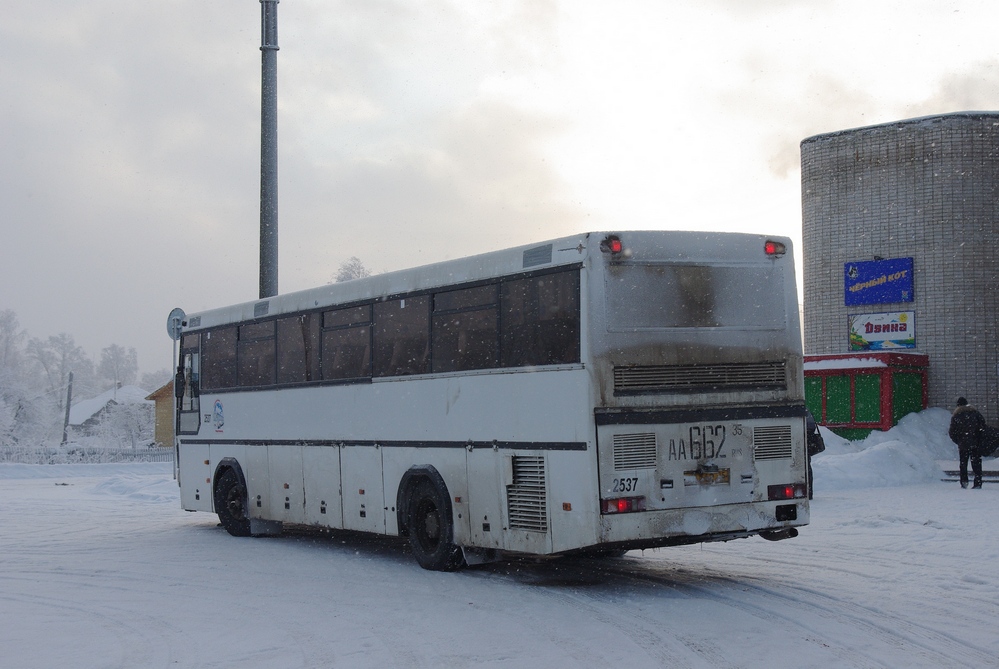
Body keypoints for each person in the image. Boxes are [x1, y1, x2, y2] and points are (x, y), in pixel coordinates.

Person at [948, 397, 985, 489]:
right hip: (975, 443)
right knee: (976, 463)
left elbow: (952, 432)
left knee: (963, 464)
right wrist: (978, 438)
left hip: (963, 444)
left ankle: (964, 482)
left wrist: (959, 440)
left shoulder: (956, 416)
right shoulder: (975, 413)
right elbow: (983, 425)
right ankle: (978, 482)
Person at [805, 410, 825, 499]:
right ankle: (809, 493)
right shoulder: (806, 412)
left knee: (805, 468)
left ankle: (807, 492)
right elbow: (812, 426)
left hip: (801, 444)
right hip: (808, 445)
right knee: (807, 468)